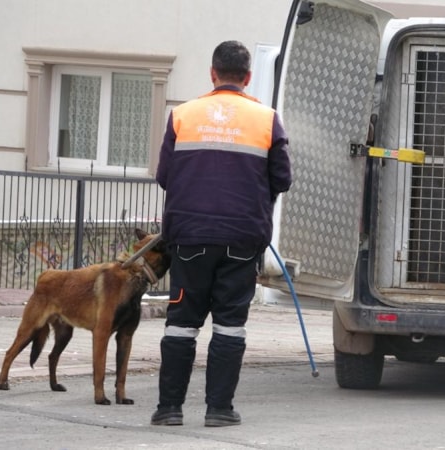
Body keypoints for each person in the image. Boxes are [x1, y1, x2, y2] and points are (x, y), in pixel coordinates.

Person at [151, 40, 292, 427]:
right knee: (230, 324)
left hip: (190, 237)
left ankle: (169, 409)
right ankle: (219, 410)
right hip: (242, 239)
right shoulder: (267, 119)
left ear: (212, 73)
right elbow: (282, 179)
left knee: (181, 323)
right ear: (248, 77)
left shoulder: (182, 115)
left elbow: (164, 176)